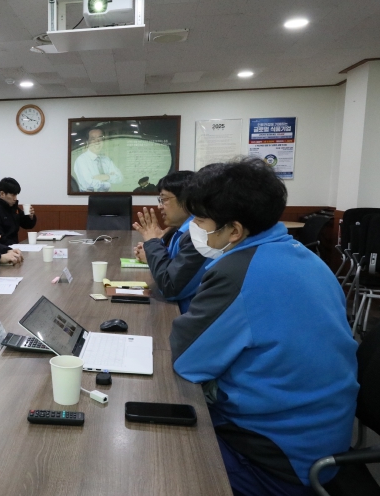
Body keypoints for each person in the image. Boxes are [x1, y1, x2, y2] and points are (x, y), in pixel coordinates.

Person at [171, 158, 359, 496]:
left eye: (199, 220)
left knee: (158, 458)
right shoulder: (304, 255)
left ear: (234, 230)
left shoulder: (237, 271)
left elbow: (185, 360)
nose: (193, 228)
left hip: (277, 458)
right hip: (323, 437)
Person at [132, 171, 210, 313]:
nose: (159, 206)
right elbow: (174, 264)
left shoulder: (197, 235)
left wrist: (152, 243)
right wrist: (151, 254)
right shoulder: (181, 230)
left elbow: (170, 287)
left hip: (185, 314)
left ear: (187, 200)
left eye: (164, 199)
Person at [0, 177, 37, 247]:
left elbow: (27, 225)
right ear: (2, 194)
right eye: (13, 195)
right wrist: (16, 247)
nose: (15, 198)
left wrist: (30, 217)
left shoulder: (12, 207)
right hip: (2, 249)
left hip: (14, 247)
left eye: (16, 195)